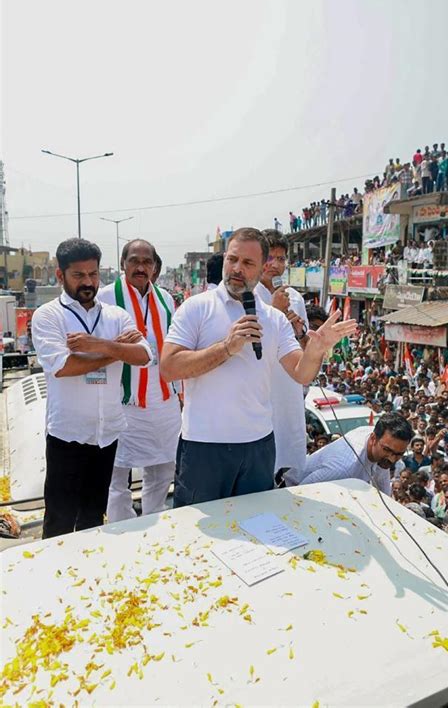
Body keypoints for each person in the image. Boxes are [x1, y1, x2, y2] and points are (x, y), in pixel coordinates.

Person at [161, 227, 357, 507]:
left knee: (255, 526)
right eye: (232, 259)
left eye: (248, 263)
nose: (237, 269)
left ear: (262, 267)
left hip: (258, 447)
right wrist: (226, 348)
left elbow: (300, 372)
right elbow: (169, 368)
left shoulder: (274, 319)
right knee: (199, 533)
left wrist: (316, 349)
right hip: (205, 445)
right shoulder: (196, 308)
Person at [32, 238, 152, 538]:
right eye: (79, 275)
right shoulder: (49, 316)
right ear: (60, 276)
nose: (88, 282)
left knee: (93, 517)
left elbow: (144, 355)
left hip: (106, 433)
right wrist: (115, 350)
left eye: (93, 274)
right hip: (67, 435)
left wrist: (97, 345)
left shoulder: (114, 315)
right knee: (59, 519)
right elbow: (63, 366)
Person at [99, 239, 182, 523]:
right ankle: (122, 525)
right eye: (135, 260)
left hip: (162, 398)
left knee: (162, 469)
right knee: (116, 473)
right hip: (123, 399)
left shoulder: (166, 299)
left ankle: (153, 521)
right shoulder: (105, 298)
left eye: (147, 262)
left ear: (155, 267)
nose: (141, 267)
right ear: (123, 263)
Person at [254, 230, 309, 476]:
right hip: (260, 390)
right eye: (270, 258)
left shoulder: (294, 298)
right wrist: (273, 311)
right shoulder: (247, 296)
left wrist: (299, 332)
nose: (276, 265)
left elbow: (304, 347)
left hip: (289, 390)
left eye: (282, 258)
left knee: (290, 461)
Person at [285, 413, 414, 495]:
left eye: (399, 454)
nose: (392, 459)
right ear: (373, 439)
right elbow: (300, 493)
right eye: (387, 450)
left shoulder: (381, 447)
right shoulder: (344, 468)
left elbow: (382, 487)